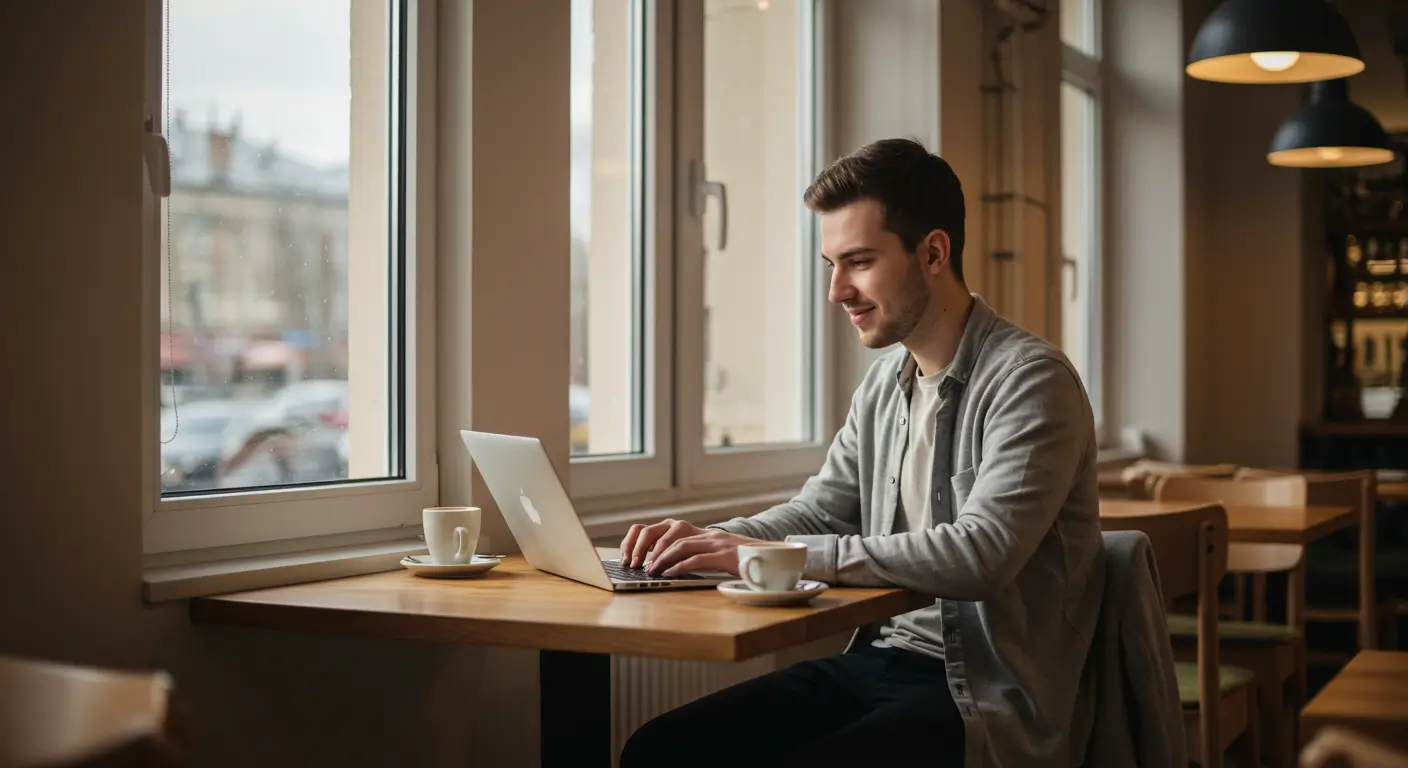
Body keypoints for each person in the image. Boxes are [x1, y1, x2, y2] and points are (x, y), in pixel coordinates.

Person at [616, 137, 1104, 768]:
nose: (837, 291)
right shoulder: (884, 385)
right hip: (884, 661)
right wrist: (708, 541)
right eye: (831, 265)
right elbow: (822, 511)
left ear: (933, 252)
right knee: (658, 750)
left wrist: (758, 555)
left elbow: (981, 554)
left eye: (859, 262)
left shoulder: (1030, 380)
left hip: (985, 694)